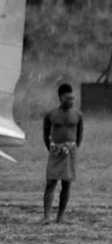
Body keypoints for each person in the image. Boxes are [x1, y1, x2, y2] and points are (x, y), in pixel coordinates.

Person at [43, 83, 85, 224]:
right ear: (61, 98)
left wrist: (72, 148)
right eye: (68, 99)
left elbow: (79, 135)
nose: (71, 101)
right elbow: (45, 134)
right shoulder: (51, 115)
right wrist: (53, 148)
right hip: (55, 151)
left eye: (73, 99)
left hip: (70, 152)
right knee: (50, 183)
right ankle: (46, 216)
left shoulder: (78, 115)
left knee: (67, 184)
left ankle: (60, 217)